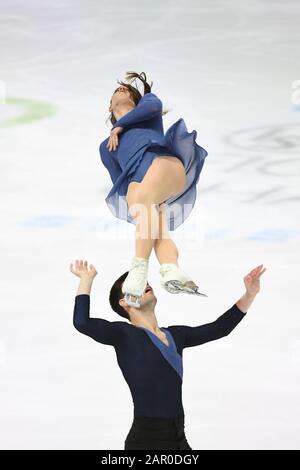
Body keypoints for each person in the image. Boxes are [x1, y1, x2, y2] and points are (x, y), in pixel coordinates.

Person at [70, 259, 267, 450]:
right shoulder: (123, 334)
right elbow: (82, 323)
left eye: (143, 281)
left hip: (178, 437)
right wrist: (86, 279)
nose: (144, 283)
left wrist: (250, 294)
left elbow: (220, 328)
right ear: (124, 302)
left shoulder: (176, 335)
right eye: (135, 284)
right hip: (147, 440)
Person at [99, 71, 208, 308]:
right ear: (109, 107)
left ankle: (139, 268)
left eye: (128, 90)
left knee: (139, 198)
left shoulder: (147, 108)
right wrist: (140, 211)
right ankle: (171, 270)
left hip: (165, 166)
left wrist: (119, 127)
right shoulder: (106, 148)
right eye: (117, 90)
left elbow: (152, 105)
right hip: (147, 187)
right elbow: (120, 183)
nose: (122, 89)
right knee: (148, 216)